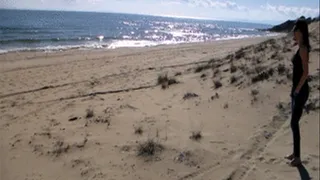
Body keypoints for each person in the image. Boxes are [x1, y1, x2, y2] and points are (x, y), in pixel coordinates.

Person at [285, 19, 310, 167]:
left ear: (300, 32)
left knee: (294, 122)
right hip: (297, 90)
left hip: (300, 90)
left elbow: (306, 72)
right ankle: (295, 153)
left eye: (295, 29)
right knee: (293, 123)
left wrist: (298, 89)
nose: (293, 31)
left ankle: (298, 157)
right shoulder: (300, 46)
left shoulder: (303, 49)